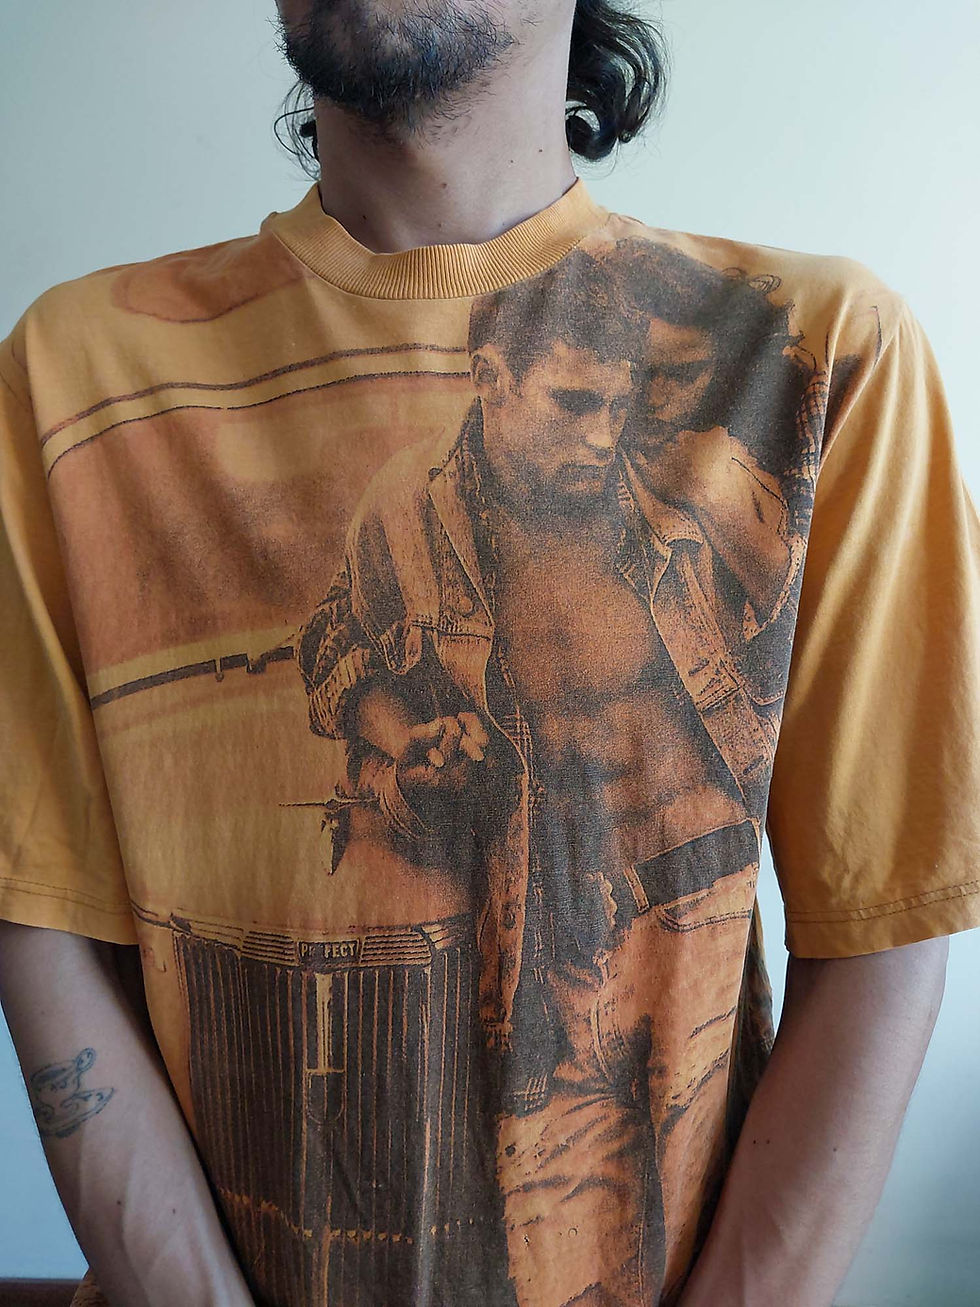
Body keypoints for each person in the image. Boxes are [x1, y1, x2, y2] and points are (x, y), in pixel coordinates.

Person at [0, 2, 976, 1306]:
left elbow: (887, 921)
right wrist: (410, 739)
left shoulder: (816, 361)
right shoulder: (78, 379)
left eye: (607, 409)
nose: (594, 435)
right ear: (497, 386)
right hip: (456, 1001)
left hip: (667, 962)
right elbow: (44, 917)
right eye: (565, 407)